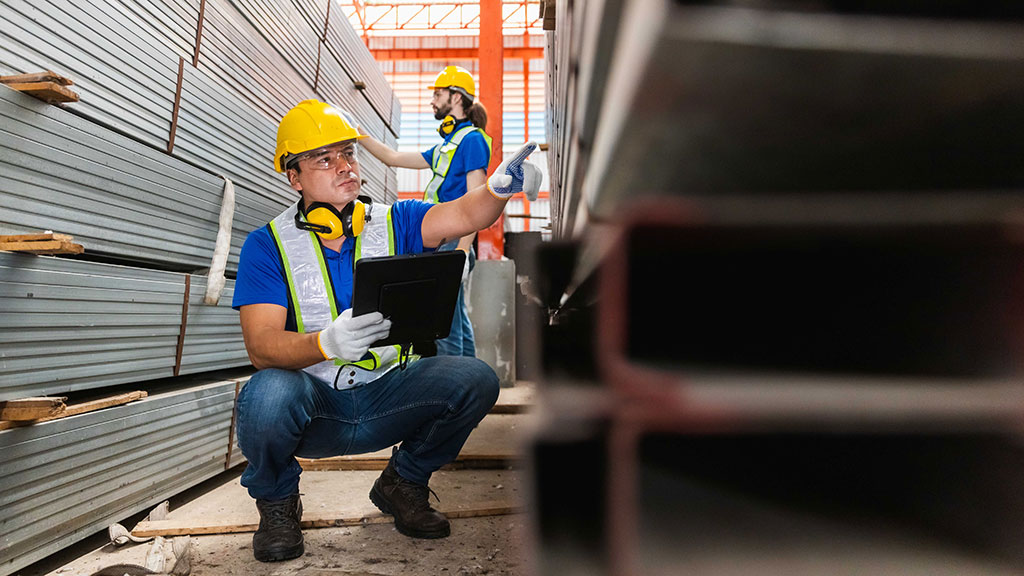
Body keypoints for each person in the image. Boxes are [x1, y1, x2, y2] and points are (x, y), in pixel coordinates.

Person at [231, 98, 540, 563]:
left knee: (475, 378)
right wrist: (324, 343)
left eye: (349, 155)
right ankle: (278, 503)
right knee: (264, 394)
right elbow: (261, 346)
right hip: (318, 409)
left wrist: (498, 188)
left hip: (390, 397)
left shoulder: (395, 220)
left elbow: (463, 215)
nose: (345, 168)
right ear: (294, 177)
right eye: (324, 159)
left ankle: (403, 483)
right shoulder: (267, 245)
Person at [359, 65, 491, 357]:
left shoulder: (473, 141)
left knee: (443, 328)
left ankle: (451, 394)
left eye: (438, 93)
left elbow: (475, 204)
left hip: (453, 244)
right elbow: (392, 157)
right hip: (443, 241)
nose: (432, 100)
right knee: (457, 321)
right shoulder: (449, 144)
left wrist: (461, 254)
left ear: (456, 98)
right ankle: (471, 389)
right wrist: (357, 135)